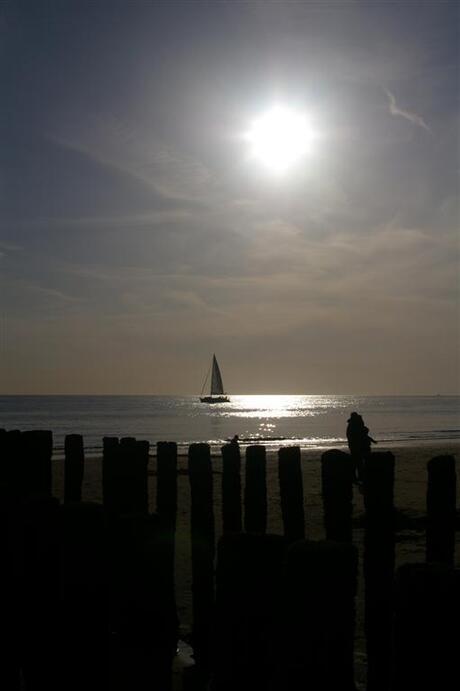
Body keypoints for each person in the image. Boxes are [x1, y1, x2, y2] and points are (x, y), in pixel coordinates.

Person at [346, 412, 376, 483]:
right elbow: (362, 434)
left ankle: (360, 476)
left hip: (357, 446)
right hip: (358, 446)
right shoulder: (356, 424)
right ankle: (360, 476)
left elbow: (361, 435)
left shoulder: (353, 425)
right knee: (359, 462)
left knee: (358, 462)